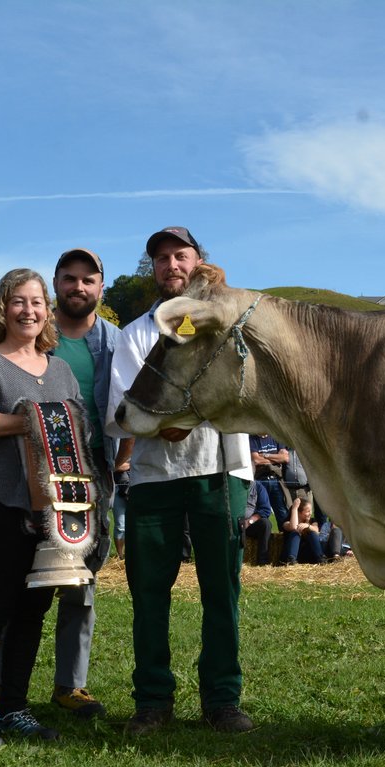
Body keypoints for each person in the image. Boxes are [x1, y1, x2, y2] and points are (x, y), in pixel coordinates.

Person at [105, 226, 256, 735]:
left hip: (221, 469)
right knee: (149, 592)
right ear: (153, 269)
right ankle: (152, 700)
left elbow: (243, 391)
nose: (171, 265)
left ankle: (222, 699)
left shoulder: (229, 324)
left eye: (180, 255)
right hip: (154, 476)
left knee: (222, 590)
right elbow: (121, 409)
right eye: (161, 258)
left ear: (198, 261)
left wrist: (181, 415)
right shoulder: (136, 334)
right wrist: (170, 418)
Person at [0, 267, 82, 747]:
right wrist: (33, 419)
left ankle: (13, 707)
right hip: (2, 501)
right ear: (2, 309)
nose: (28, 311)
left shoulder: (61, 369)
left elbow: (78, 426)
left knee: (33, 608)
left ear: (48, 310)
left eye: (36, 302)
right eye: (18, 301)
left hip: (53, 509)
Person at [27, 247, 132, 720]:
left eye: (88, 280)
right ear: (56, 284)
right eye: (69, 278)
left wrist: (121, 464)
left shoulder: (117, 341)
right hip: (36, 474)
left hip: (94, 476)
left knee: (80, 581)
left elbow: (130, 404)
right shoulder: (33, 335)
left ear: (101, 288)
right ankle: (0, 683)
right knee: (24, 578)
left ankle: (71, 684)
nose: (78, 287)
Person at [278, 493, 327, 565]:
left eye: (311, 510)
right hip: (290, 553)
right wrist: (294, 508)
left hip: (306, 554)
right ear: (299, 513)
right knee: (295, 533)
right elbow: (293, 527)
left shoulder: (312, 521)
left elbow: (317, 530)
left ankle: (321, 558)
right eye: (308, 511)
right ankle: (291, 560)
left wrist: (308, 526)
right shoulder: (287, 522)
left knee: (312, 533)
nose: (310, 513)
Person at [238, 478, 274, 565]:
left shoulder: (258, 487)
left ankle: (263, 561)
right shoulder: (232, 485)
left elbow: (265, 509)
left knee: (266, 524)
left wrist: (249, 522)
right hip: (233, 522)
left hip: (249, 524)